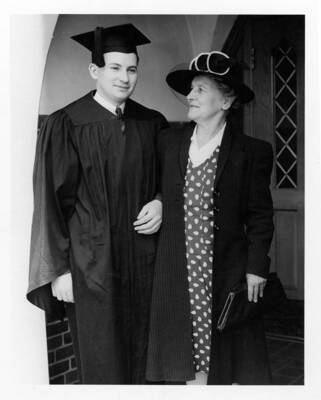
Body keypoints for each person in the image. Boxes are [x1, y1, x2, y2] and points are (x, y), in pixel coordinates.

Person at [27, 23, 168, 384]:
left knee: (147, 358)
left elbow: (170, 180)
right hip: (91, 267)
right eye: (115, 68)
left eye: (131, 68)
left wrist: (161, 200)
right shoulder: (67, 124)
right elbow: (49, 203)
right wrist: (58, 270)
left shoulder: (151, 123)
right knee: (102, 360)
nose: (124, 77)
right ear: (95, 71)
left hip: (143, 263)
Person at [146, 51, 274, 385]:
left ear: (227, 100)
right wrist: (159, 201)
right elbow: (156, 188)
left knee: (224, 356)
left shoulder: (252, 152)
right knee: (183, 355)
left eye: (201, 89)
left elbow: (261, 215)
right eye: (191, 88)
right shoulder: (168, 142)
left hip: (225, 269)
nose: (190, 95)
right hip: (178, 268)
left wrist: (257, 266)